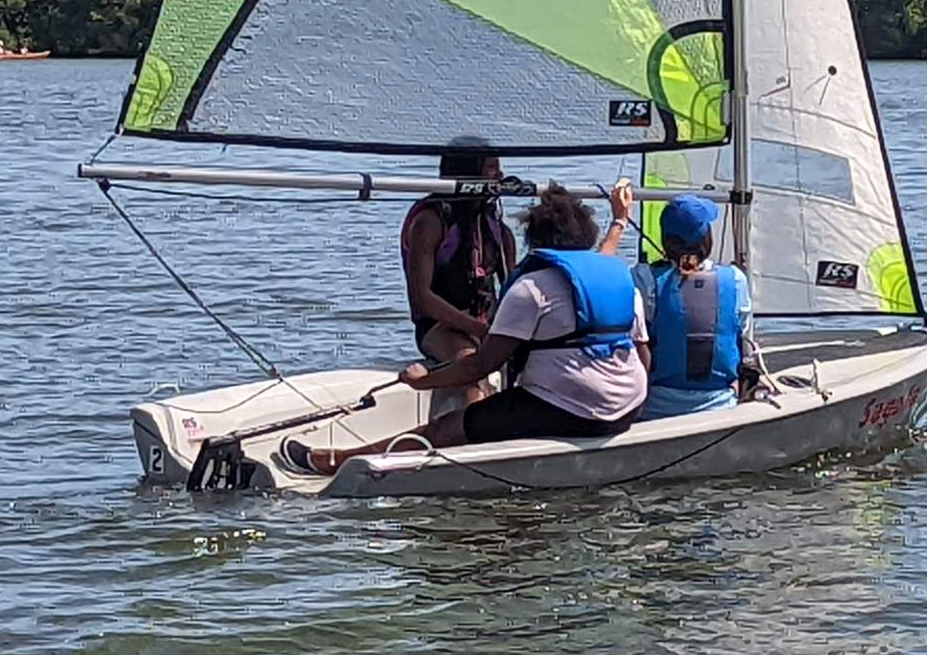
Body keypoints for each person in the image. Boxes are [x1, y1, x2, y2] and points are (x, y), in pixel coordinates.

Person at [281, 184, 649, 474]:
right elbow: (644, 354)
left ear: (534, 241)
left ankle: (332, 461)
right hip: (630, 406)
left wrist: (422, 379)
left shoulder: (530, 290)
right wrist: (620, 219)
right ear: (586, 236)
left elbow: (480, 366)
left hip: (571, 411)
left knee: (444, 429)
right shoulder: (620, 281)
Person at [599, 181, 751, 420]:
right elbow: (743, 339)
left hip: (655, 410)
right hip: (722, 406)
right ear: (705, 238)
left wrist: (620, 220)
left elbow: (602, 276)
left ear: (665, 240)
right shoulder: (735, 279)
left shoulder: (643, 277)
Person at [399, 154, 516, 408]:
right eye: (491, 168)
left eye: (499, 168)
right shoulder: (429, 222)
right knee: (470, 363)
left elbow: (514, 290)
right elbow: (422, 296)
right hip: (440, 326)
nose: (499, 175)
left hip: (488, 322)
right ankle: (474, 433)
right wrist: (476, 329)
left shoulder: (497, 227)